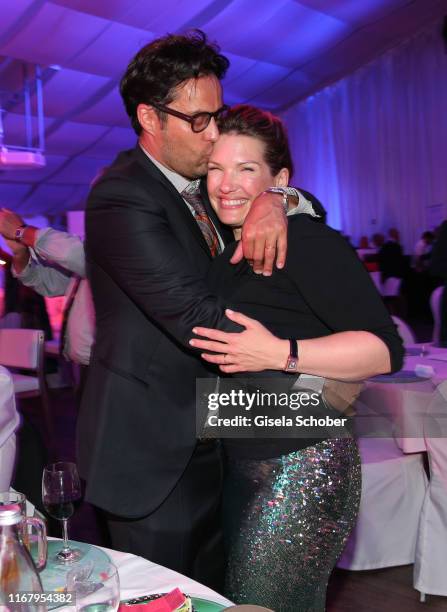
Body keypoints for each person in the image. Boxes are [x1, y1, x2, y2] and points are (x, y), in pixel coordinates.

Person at [77, 30, 310, 591]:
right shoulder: (122, 196)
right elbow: (198, 318)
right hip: (150, 454)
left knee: (212, 596)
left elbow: (297, 192)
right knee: (165, 600)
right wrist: (308, 355)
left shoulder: (204, 186)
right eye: (199, 120)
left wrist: (277, 200)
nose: (216, 135)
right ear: (150, 119)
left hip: (211, 438)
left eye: (219, 115)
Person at [189, 105, 404, 610]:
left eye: (246, 169)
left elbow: (383, 348)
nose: (226, 184)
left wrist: (278, 353)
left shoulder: (305, 241)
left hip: (301, 466)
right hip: (248, 459)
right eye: (216, 169)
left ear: (278, 179)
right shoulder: (228, 252)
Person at [0, 210, 94, 370]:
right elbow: (42, 280)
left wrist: (22, 231)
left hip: (110, 364)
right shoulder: (90, 264)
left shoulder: (122, 253)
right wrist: (20, 252)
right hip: (87, 362)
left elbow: (75, 255)